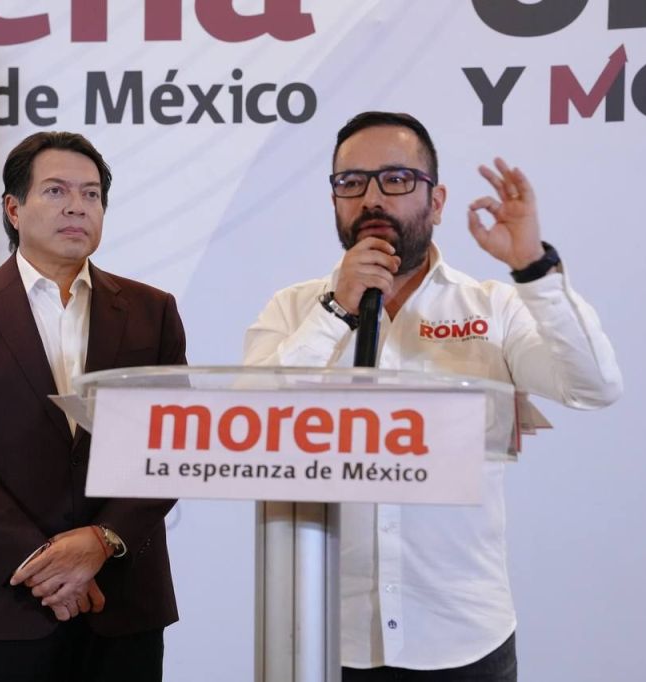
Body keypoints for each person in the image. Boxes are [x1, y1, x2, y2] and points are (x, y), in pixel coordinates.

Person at [243, 112, 622, 681]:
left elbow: (594, 386)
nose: (372, 198)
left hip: (461, 634)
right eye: (352, 182)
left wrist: (534, 268)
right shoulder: (294, 309)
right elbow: (248, 430)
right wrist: (336, 310)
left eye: (396, 179)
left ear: (437, 201)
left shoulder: (492, 306)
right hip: (327, 633)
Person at [0, 131, 185, 682]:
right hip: (9, 599)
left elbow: (172, 445)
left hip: (123, 598)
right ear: (13, 209)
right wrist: (41, 564)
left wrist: (101, 541)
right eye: (56, 191)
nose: (77, 206)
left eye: (91, 194)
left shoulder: (151, 310)